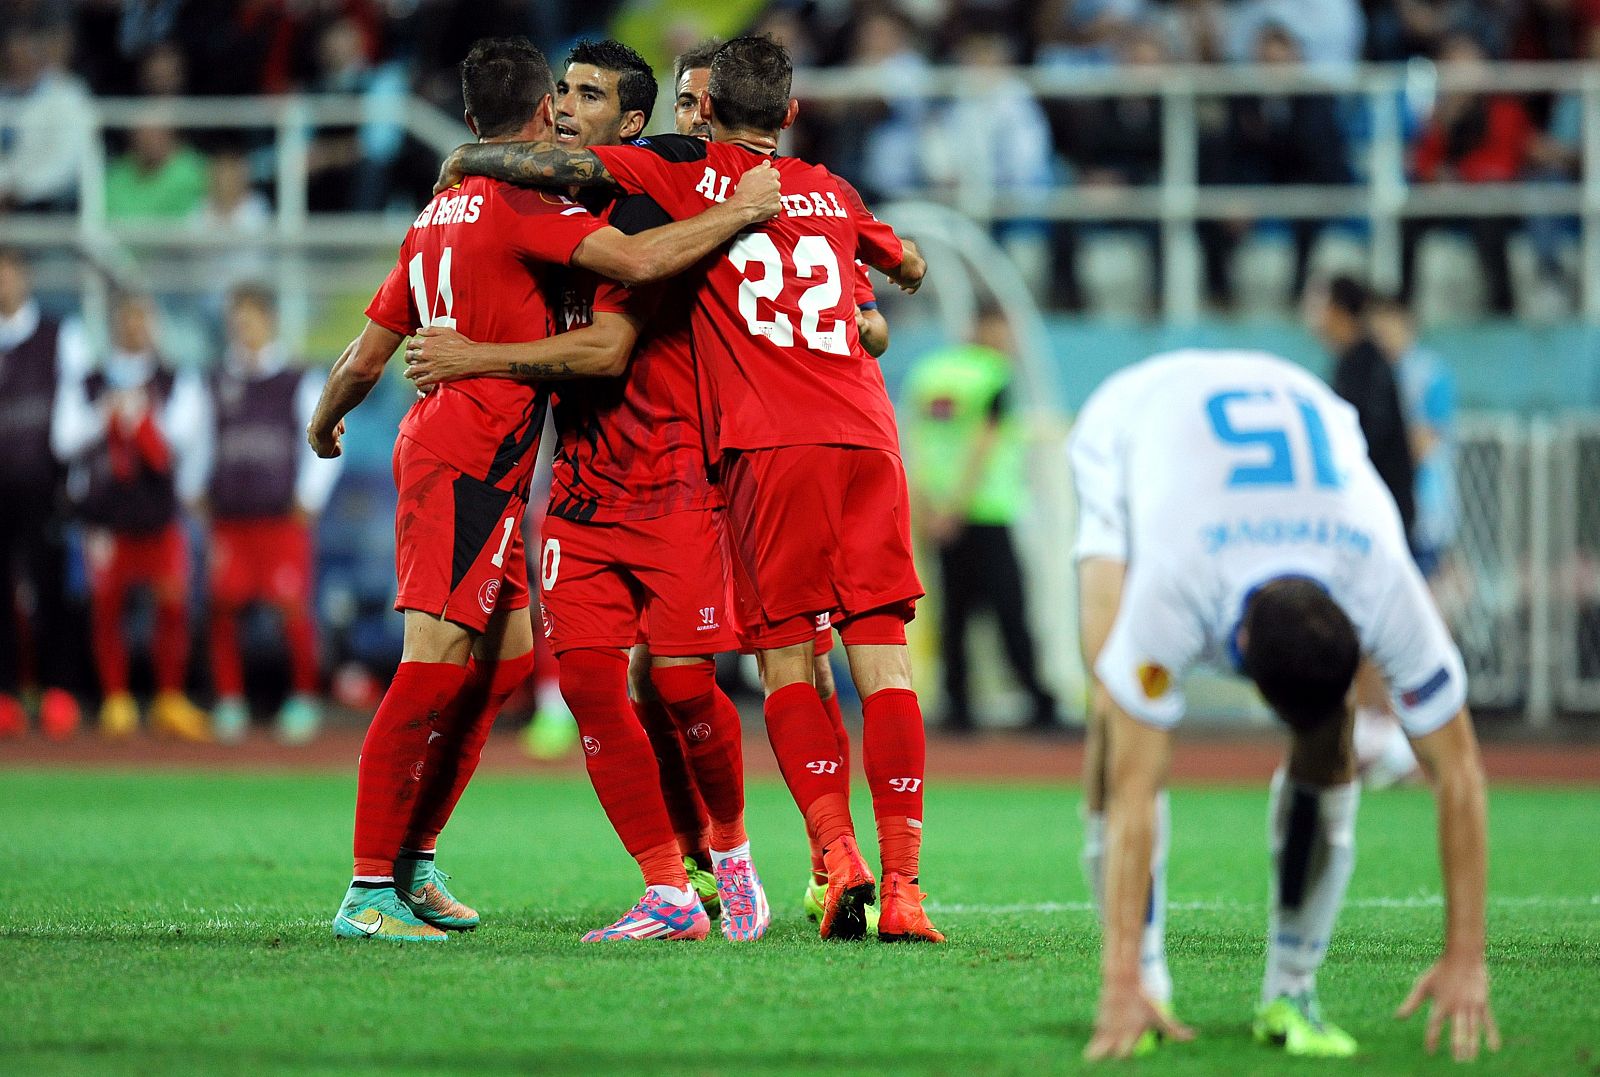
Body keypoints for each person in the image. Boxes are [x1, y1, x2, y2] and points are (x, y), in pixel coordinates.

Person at [437, 33, 942, 944]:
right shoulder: (830, 187)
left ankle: (822, 858)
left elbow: (566, 173)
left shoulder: (676, 177)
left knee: (777, 661)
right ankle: (892, 882)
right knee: (879, 662)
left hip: (749, 452)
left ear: (701, 113)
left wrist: (467, 155)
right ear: (790, 113)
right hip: (868, 435)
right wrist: (874, 296)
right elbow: (896, 275)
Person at [306, 36, 781, 943]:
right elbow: (635, 278)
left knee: (507, 663)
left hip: (508, 468)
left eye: (586, 95)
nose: (567, 110)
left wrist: (325, 417)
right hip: (472, 463)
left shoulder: (441, 209)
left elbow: (368, 351)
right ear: (536, 119)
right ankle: (369, 888)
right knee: (429, 667)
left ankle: (415, 859)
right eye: (559, 95)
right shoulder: (524, 205)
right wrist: (744, 211)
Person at [1072, 350, 1496, 1062]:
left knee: (1330, 736)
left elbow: (1460, 772)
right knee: (1113, 712)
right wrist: (1116, 982)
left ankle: (1291, 990)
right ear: (1231, 643)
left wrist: (1467, 956)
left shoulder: (1382, 578)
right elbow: (1136, 786)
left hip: (1301, 410)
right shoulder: (1178, 579)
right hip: (1134, 417)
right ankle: (1143, 975)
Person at [903, 304, 1058, 733]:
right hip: (986, 511)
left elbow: (914, 443)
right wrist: (957, 506)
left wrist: (929, 509)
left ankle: (957, 705)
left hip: (935, 514)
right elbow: (982, 445)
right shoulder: (993, 375)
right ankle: (1038, 701)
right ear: (987, 328)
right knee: (1010, 609)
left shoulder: (929, 373)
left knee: (954, 613)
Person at [196, 285, 341, 746]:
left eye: (253, 317)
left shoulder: (298, 379)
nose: (245, 326)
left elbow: (330, 435)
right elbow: (199, 440)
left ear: (271, 321)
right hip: (231, 517)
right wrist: (194, 490)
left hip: (281, 518)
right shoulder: (215, 380)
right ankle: (231, 701)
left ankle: (303, 698)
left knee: (292, 611)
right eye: (238, 318)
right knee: (222, 610)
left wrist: (309, 497)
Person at [71, 294, 210, 741]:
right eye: (127, 318)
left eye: (143, 318)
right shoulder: (89, 381)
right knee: (108, 610)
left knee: (170, 609)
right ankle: (116, 698)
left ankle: (168, 697)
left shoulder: (176, 380)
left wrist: (140, 419)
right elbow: (64, 438)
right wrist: (106, 414)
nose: (135, 327)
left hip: (160, 517)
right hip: (108, 520)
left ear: (155, 325)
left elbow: (181, 440)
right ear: (114, 325)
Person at [0, 247, 89, 740]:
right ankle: (7, 692)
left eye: (9, 273)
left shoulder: (60, 335)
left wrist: (70, 476)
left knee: (52, 587)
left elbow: (77, 407)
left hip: (43, 480)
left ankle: (59, 690)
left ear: (25, 278)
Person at [1307, 274, 1416, 543]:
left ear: (1337, 311)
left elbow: (1368, 437)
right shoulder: (1352, 362)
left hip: (1381, 512)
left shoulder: (1367, 365)